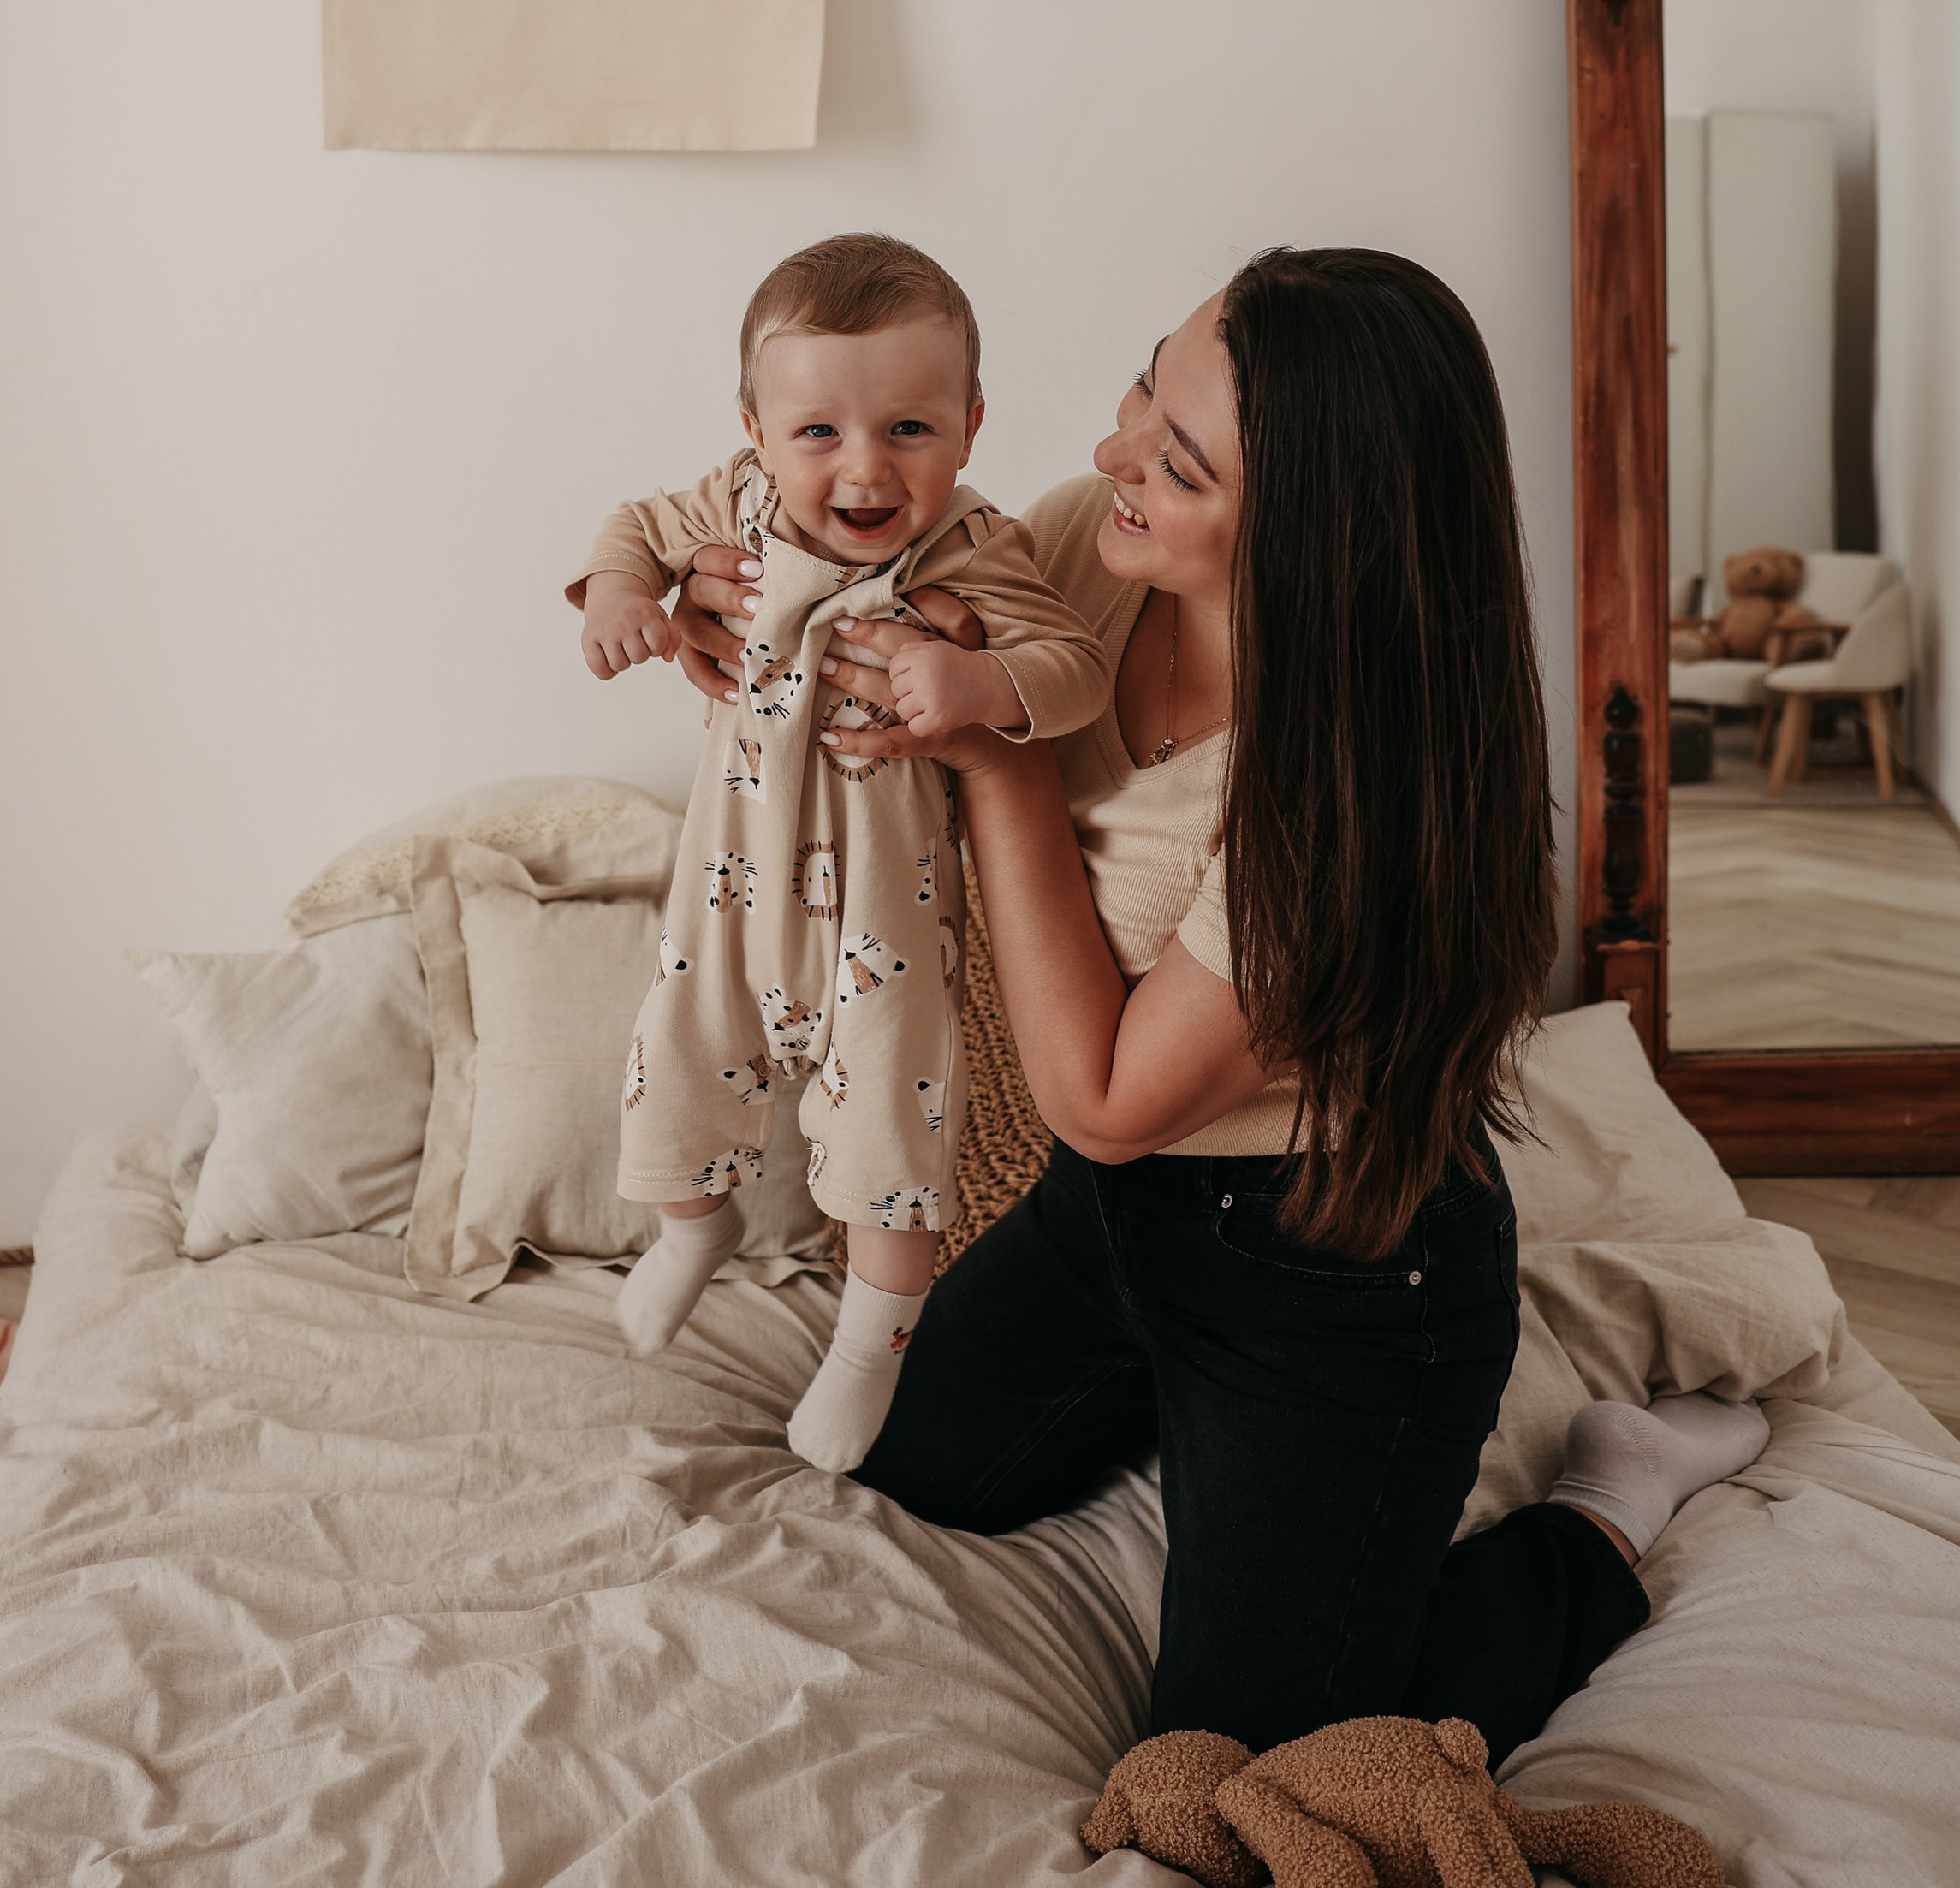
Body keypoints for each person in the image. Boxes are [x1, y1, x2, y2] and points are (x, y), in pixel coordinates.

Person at [662, 249, 1769, 1776]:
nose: (1114, 451)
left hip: (1328, 1261)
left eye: (1177, 464)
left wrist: (1002, 759)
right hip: (1106, 1218)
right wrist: (720, 598)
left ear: (1309, 537)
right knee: (921, 1475)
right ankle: (1192, 1420)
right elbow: (842, 559)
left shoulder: (1348, 797)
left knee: (1269, 1753)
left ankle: (1607, 1507)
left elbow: (1108, 1095)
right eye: (1143, 386)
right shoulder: (1079, 550)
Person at [569, 232, 1111, 1470]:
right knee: (673, 1071)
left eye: (910, 430)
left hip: (887, 928)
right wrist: (617, 598)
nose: (864, 468)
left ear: (970, 427)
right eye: (819, 432)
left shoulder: (974, 550)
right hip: (725, 902)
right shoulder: (736, 512)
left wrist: (976, 679)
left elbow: (1072, 672)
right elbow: (632, 530)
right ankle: (691, 1234)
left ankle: (870, 1343)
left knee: (888, 1138)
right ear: (756, 429)